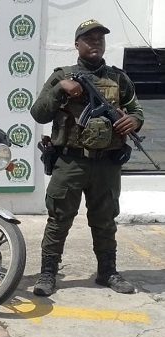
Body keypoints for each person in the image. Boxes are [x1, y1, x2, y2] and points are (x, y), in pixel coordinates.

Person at [30, 20, 144, 296]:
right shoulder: (62, 76)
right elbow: (39, 113)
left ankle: (107, 272)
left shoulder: (119, 79)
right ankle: (48, 274)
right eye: (88, 38)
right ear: (77, 44)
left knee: (105, 220)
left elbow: (137, 111)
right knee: (59, 218)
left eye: (100, 38)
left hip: (107, 163)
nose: (95, 42)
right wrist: (60, 89)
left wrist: (134, 121)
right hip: (71, 161)